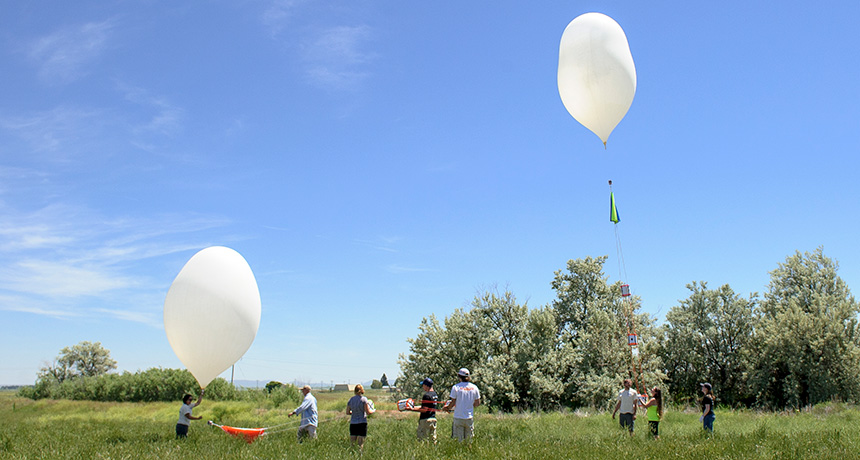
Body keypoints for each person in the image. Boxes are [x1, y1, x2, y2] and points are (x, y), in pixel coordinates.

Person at [447, 368, 481, 442]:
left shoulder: (456, 387)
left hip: (458, 417)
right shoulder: (474, 388)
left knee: (458, 440)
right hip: (469, 417)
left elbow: (453, 402)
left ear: (459, 376)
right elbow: (477, 403)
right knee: (469, 440)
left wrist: (447, 408)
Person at [346, 383, 375, 450]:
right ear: (361, 390)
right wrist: (373, 411)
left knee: (352, 443)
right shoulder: (364, 399)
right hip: (362, 423)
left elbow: (347, 412)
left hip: (353, 423)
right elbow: (368, 412)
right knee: (360, 444)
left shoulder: (351, 400)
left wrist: (354, 413)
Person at [414, 378, 439, 443]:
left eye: (423, 385)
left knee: (423, 439)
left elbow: (424, 409)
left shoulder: (426, 395)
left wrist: (411, 409)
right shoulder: (434, 395)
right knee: (432, 439)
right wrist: (414, 407)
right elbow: (427, 407)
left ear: (426, 385)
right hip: (433, 419)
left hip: (425, 420)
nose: (422, 387)